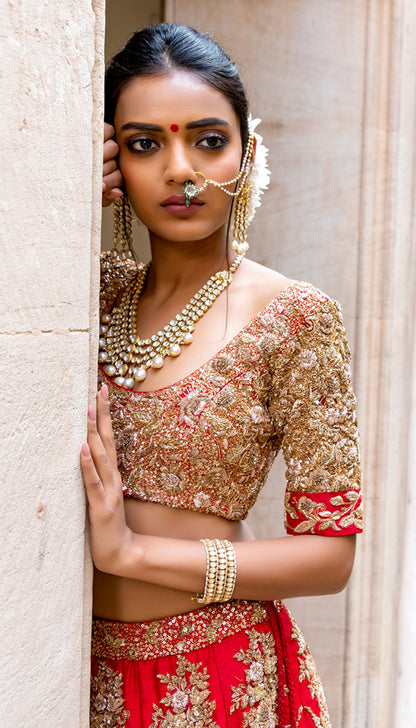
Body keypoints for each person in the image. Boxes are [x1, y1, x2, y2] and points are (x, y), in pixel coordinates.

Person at [81, 23, 363, 728]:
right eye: (146, 144)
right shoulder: (90, 300)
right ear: (115, 159)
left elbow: (329, 556)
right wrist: (65, 205)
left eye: (209, 140)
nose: (181, 169)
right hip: (73, 676)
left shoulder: (294, 318)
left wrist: (134, 552)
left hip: (219, 681)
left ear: (248, 154)